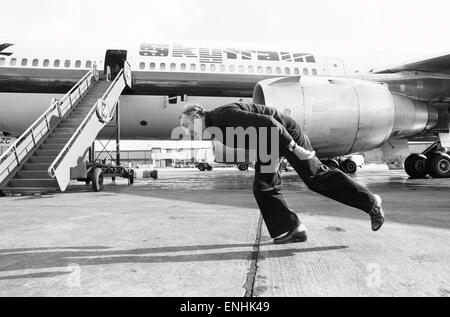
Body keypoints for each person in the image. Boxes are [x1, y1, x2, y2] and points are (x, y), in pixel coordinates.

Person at [179, 103, 385, 244]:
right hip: (269, 142)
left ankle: (370, 202)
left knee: (316, 178)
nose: (187, 131)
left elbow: (269, 123)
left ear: (197, 116)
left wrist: (295, 148)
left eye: (187, 125)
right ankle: (293, 228)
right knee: (263, 187)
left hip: (285, 132)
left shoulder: (222, 115)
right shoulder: (216, 127)